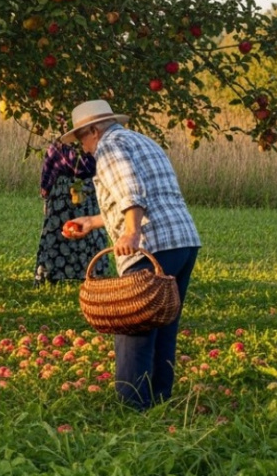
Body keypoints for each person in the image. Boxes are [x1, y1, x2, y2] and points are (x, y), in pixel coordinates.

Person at [60, 100, 202, 411]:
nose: (84, 148)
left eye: (82, 139)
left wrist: (132, 232)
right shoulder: (141, 141)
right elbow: (148, 193)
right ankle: (160, 399)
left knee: (133, 323)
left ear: (94, 131)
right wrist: (94, 221)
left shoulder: (109, 147)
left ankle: (132, 406)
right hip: (183, 241)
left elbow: (131, 190)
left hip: (150, 244)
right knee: (164, 321)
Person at [34, 140, 110, 284]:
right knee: (77, 233)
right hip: (85, 194)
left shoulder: (58, 147)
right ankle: (92, 272)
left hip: (65, 196)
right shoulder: (93, 145)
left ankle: (52, 273)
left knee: (61, 233)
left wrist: (46, 196)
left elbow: (47, 176)